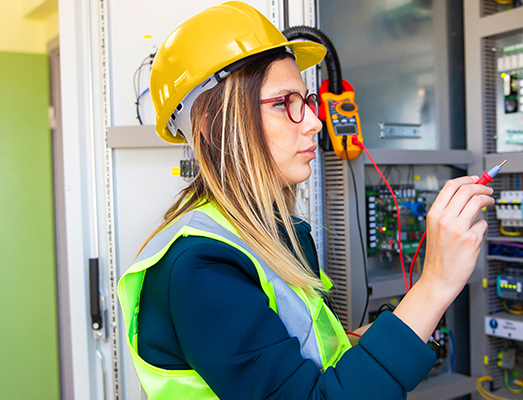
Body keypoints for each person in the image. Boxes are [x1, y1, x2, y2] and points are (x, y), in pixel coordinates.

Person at [117, 2, 494, 399]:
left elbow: (303, 354)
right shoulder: (200, 266)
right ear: (214, 127)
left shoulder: (279, 235)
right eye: (283, 103)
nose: (315, 122)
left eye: (306, 99)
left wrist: (375, 335)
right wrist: (435, 284)